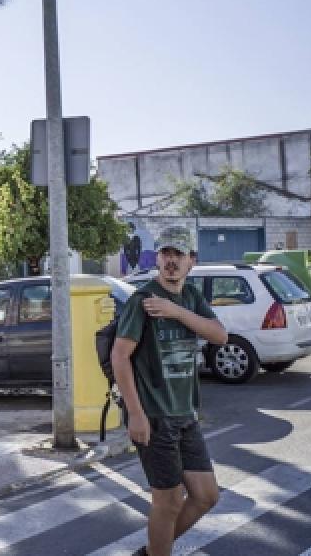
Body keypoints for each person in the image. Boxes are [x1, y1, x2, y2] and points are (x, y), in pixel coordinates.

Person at [110, 225, 228, 556]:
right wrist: (135, 414)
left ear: (192, 260)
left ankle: (150, 553)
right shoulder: (142, 300)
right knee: (169, 500)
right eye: (165, 253)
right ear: (157, 259)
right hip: (155, 415)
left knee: (206, 495)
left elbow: (220, 336)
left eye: (178, 254)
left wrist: (176, 311)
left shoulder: (190, 297)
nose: (171, 261)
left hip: (185, 413)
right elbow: (119, 356)